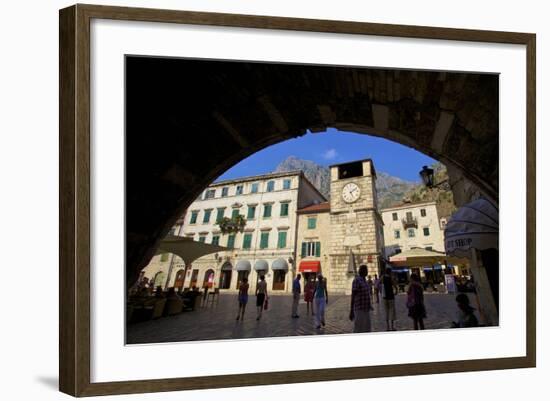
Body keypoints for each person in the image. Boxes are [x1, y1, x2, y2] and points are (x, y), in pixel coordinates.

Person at [349, 265, 373, 333]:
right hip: (359, 310)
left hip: (366, 309)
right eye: (366, 270)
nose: (367, 271)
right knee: (359, 329)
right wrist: (351, 310)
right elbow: (353, 295)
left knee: (367, 328)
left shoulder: (364, 280)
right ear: (362, 271)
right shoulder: (357, 280)